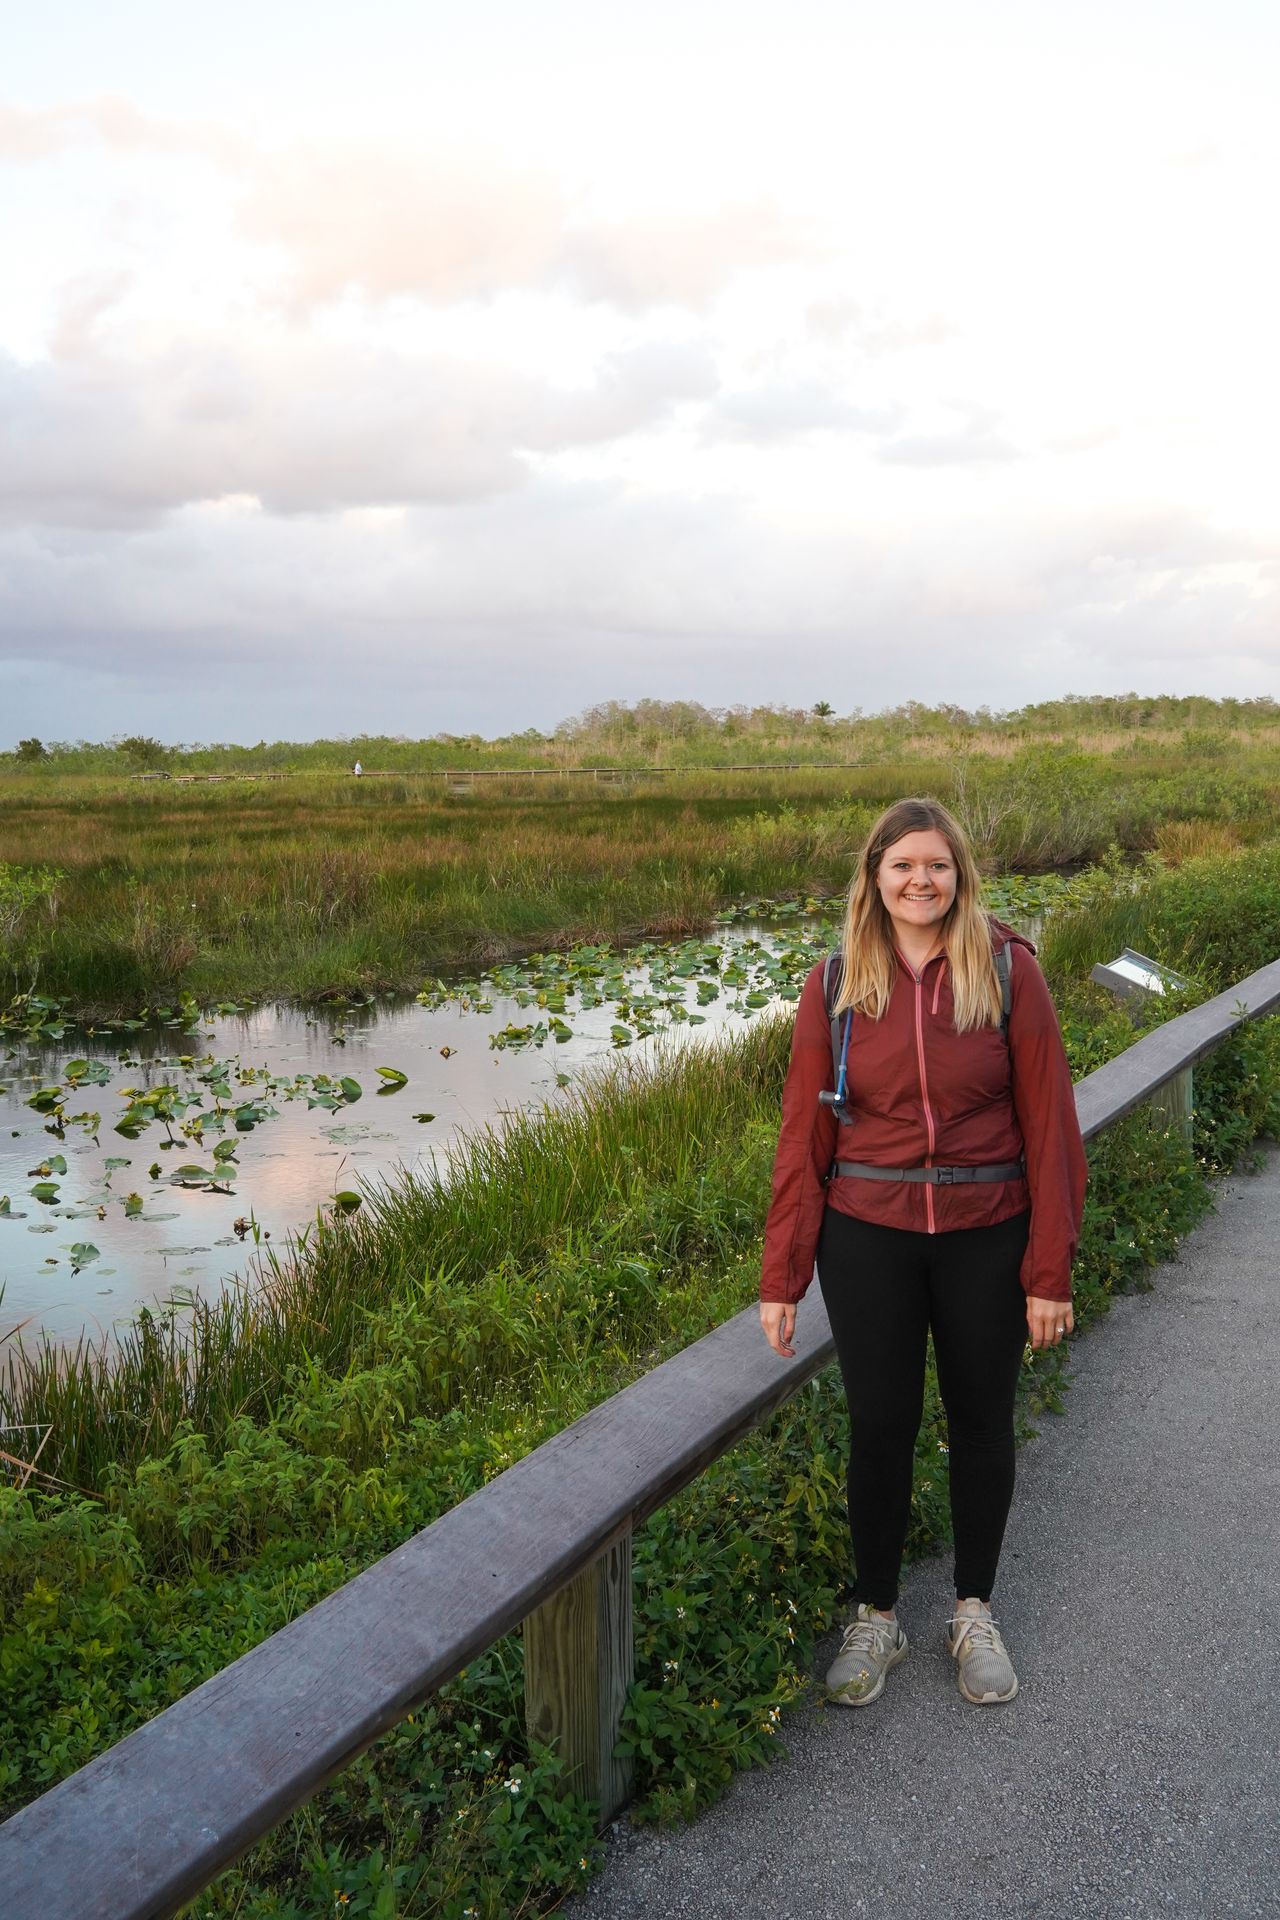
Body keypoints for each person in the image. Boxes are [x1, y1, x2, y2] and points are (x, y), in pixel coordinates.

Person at [759, 796, 1085, 1708]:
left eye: (936, 865)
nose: (920, 881)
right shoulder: (834, 985)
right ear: (875, 875)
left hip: (988, 1233)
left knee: (981, 1423)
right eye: (903, 865)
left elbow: (1052, 1129)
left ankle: (974, 1609)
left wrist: (1048, 1272)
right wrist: (782, 1276)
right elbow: (803, 1140)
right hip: (868, 1239)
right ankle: (876, 1616)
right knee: (881, 1428)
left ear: (959, 874)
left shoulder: (1008, 972)